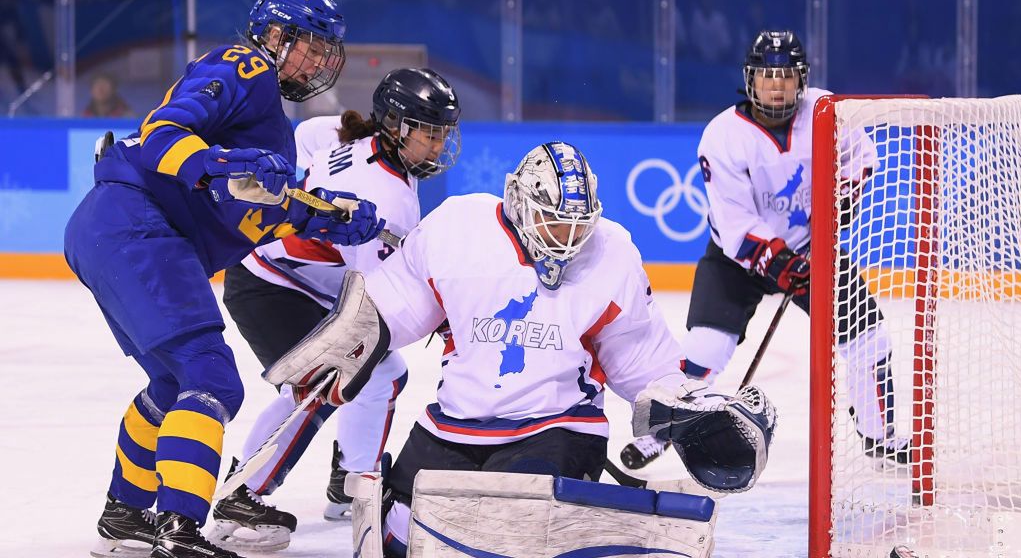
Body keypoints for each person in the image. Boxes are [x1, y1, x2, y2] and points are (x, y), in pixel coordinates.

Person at [263, 141, 779, 557]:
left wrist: (682, 406)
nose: (568, 238)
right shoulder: (456, 228)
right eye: (555, 221)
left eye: (578, 224)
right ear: (519, 202)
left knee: (512, 533)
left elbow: (639, 357)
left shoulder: (613, 253)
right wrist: (350, 341)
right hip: (453, 423)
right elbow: (392, 306)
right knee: (397, 533)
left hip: (558, 428)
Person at [64, 0, 383, 557]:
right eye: (310, 46)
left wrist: (332, 216)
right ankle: (178, 530)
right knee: (209, 377)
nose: (318, 62)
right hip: (138, 223)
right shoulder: (245, 66)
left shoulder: (271, 127)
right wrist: (216, 162)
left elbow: (263, 209)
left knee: (173, 383)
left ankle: (125, 512)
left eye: (325, 52)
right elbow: (163, 134)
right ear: (274, 35)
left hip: (116, 230)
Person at [619, 29, 905, 471]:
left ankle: (878, 434)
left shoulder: (825, 111)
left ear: (802, 79)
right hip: (737, 262)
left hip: (811, 252)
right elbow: (735, 225)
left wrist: (842, 197)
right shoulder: (723, 135)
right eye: (767, 76)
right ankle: (661, 432)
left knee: (870, 338)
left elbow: (862, 157)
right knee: (705, 350)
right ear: (749, 80)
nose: (777, 86)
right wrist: (780, 262)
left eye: (787, 76)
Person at [207, 67, 461, 552]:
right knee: (332, 379)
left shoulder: (357, 142)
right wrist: (450, 318)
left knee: (377, 373)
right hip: (271, 287)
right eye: (429, 133)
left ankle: (351, 483)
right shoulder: (384, 195)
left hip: (294, 279)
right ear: (395, 126)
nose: (437, 145)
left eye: (443, 133)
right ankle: (244, 492)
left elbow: (309, 134)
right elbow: (377, 303)